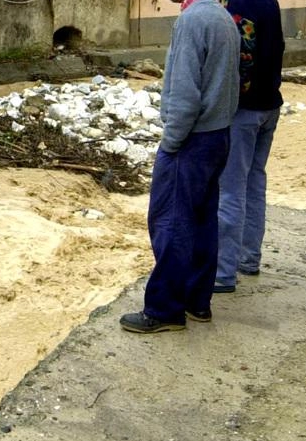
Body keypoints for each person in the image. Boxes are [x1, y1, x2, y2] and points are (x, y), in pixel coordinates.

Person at [120, 0, 240, 333]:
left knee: (170, 222)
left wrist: (171, 142)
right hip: (218, 135)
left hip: (191, 139)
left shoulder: (191, 20)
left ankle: (164, 310)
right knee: (202, 221)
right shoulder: (222, 17)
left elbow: (186, 93)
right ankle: (197, 302)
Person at [214, 0, 285, 294]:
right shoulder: (269, 2)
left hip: (245, 112)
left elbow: (242, 62)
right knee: (254, 183)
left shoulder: (239, 8)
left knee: (230, 189)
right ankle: (248, 258)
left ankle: (223, 273)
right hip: (270, 105)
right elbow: (277, 47)